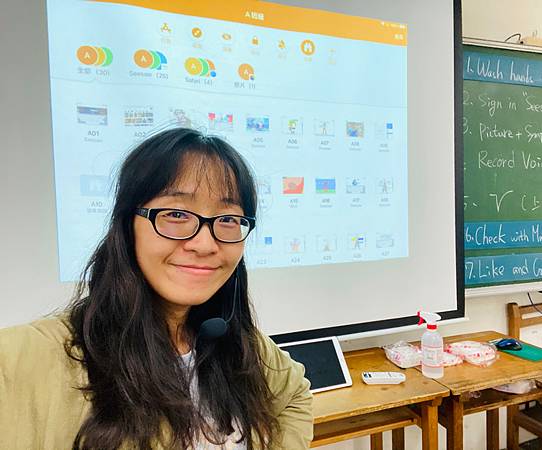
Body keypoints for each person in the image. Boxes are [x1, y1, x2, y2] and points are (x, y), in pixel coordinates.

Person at [0, 128, 313, 449]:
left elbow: (296, 396)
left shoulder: (232, 341)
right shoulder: (26, 359)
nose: (205, 244)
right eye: (176, 214)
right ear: (127, 224)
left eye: (228, 219)